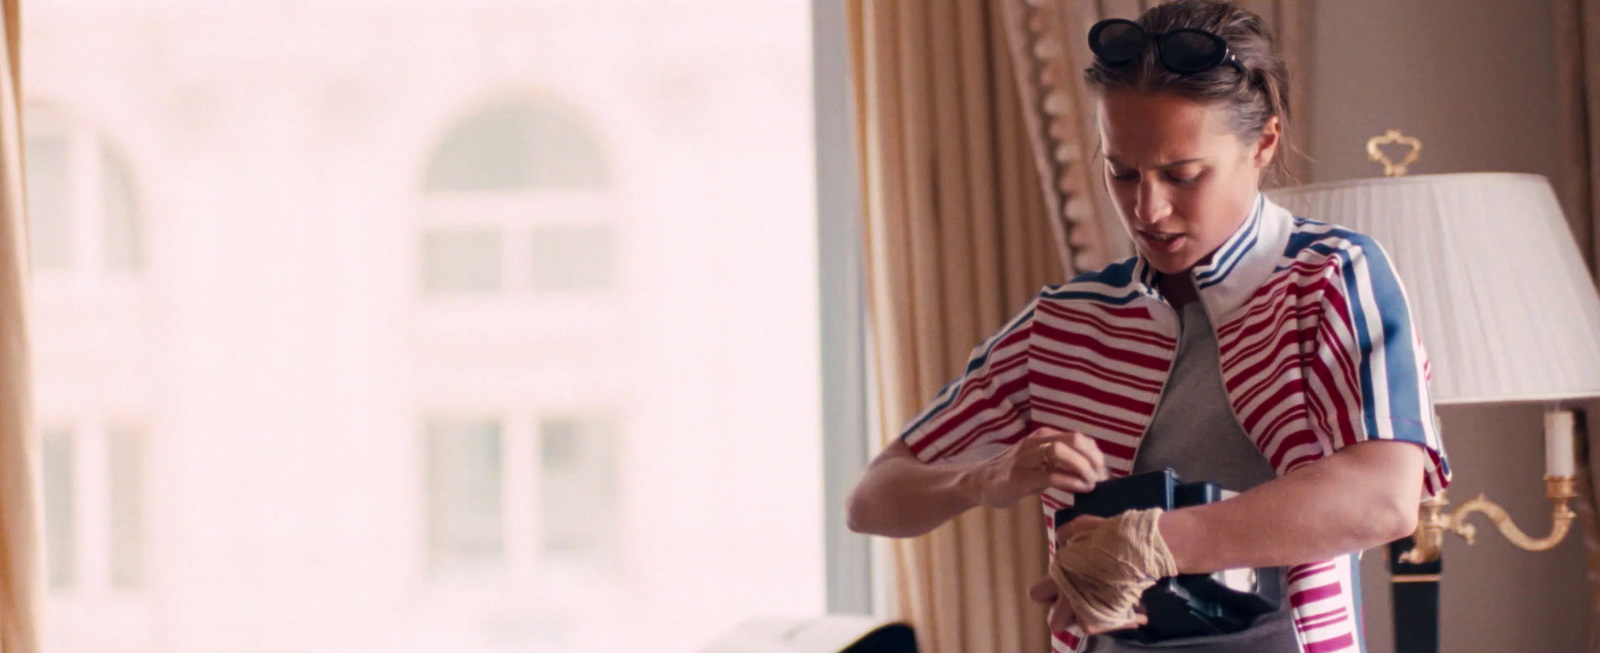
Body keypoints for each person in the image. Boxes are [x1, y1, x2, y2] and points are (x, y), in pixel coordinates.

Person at [844, 1, 1450, 652]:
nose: (1147, 207)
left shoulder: (1330, 277)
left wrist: (1155, 543)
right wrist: (986, 478)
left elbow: (1384, 497)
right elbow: (874, 498)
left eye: (1182, 175)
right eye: (1121, 171)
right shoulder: (1064, 321)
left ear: (1264, 142)